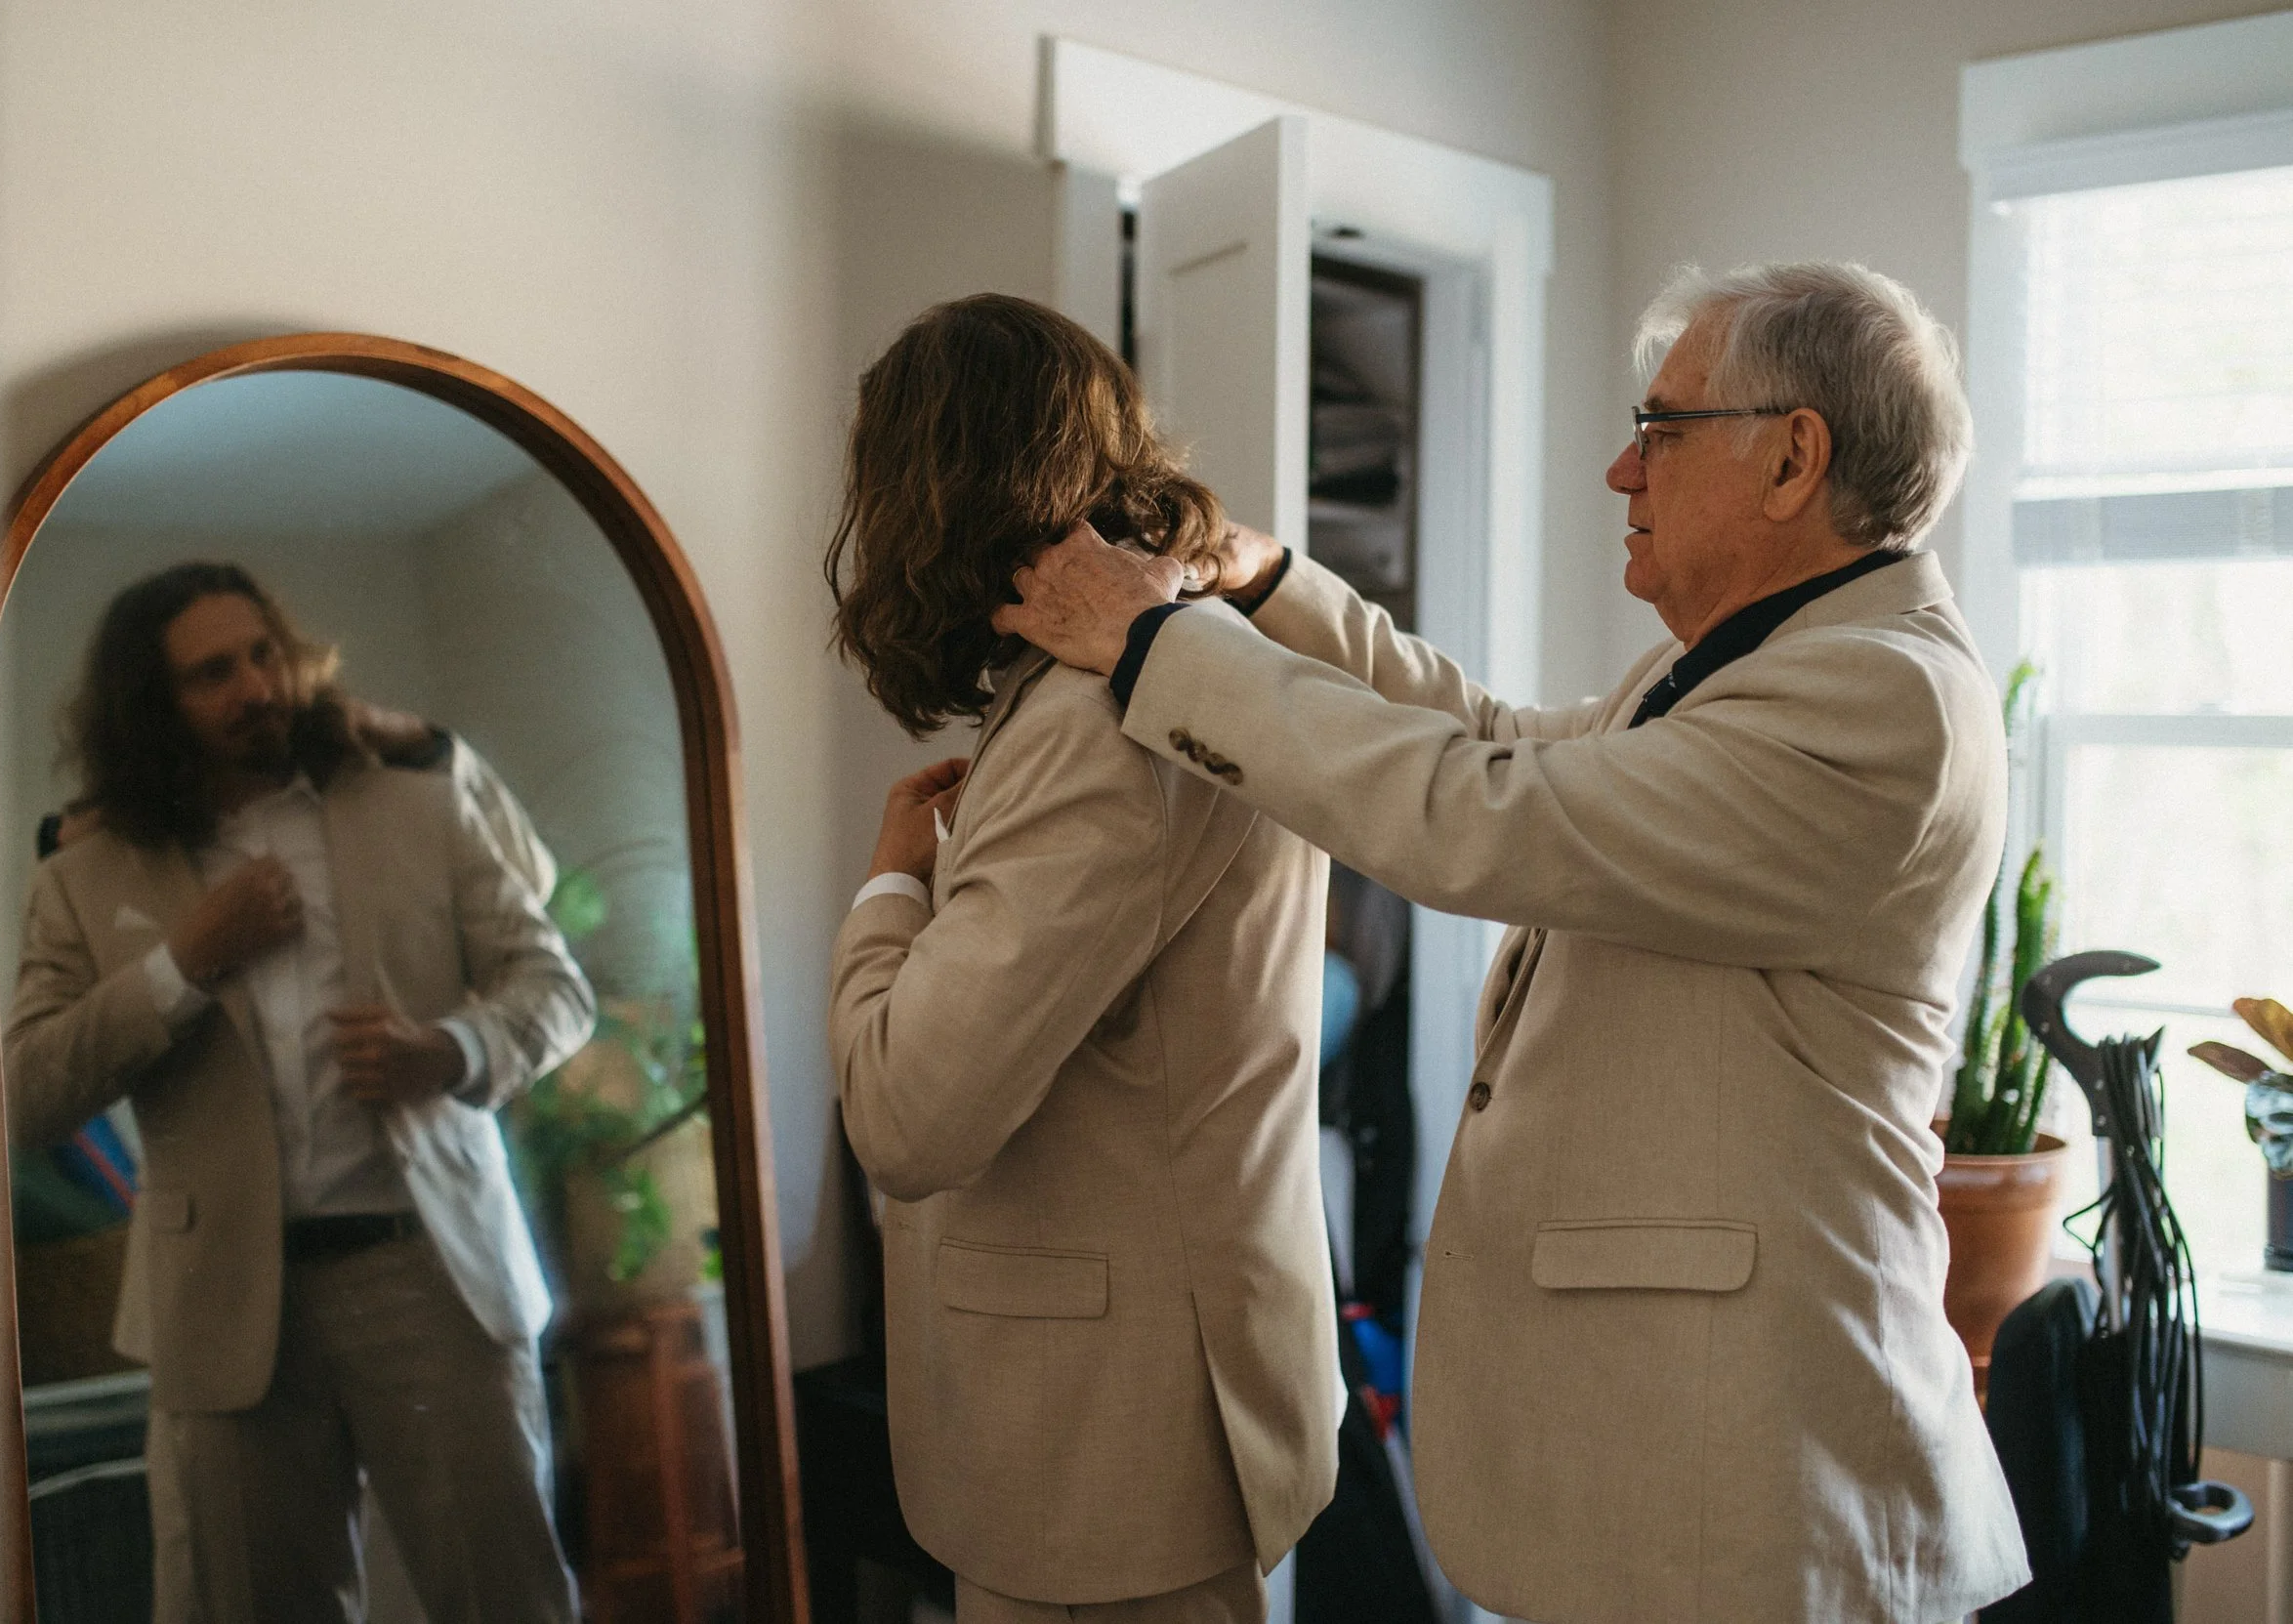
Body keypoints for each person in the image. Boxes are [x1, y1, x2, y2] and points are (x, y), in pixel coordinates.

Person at [994, 262, 2031, 1624]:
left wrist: (1154, 644)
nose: (1621, 467)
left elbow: (1485, 817)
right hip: (1686, 1487)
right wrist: (1273, 586)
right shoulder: (1730, 663)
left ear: (1794, 457)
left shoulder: (1888, 700)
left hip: (1764, 1512)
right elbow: (1492, 739)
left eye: (1660, 427)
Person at [825, 294, 1339, 1624]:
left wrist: (892, 882)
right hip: (1131, 1409)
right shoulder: (1170, 667)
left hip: (1105, 1454)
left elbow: (905, 1117)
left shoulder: (1095, 719)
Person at [3, 562, 596, 1624]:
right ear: (155, 704)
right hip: (222, 1307)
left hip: (434, 1275)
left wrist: (451, 1051)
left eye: (264, 654)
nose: (255, 686)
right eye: (212, 672)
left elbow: (556, 987)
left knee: (507, 1600)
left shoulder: (421, 808)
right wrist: (179, 966)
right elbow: (26, 1094)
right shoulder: (81, 877)